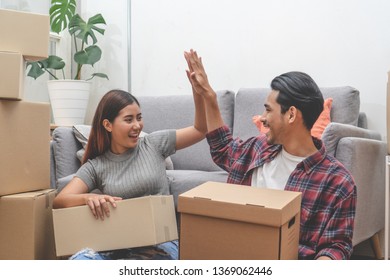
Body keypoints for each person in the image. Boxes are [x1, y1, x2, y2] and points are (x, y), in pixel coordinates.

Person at [184, 49, 357, 260]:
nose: (262, 118)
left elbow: (336, 246)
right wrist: (209, 96)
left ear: (291, 114)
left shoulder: (338, 181)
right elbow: (222, 148)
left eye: (268, 110)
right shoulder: (258, 149)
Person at [53, 88, 207, 260]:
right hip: (116, 247)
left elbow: (201, 130)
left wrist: (199, 92)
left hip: (159, 245)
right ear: (108, 125)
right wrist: (88, 198)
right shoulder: (96, 166)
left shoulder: (154, 144)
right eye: (129, 120)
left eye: (139, 118)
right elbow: (60, 200)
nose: (137, 125)